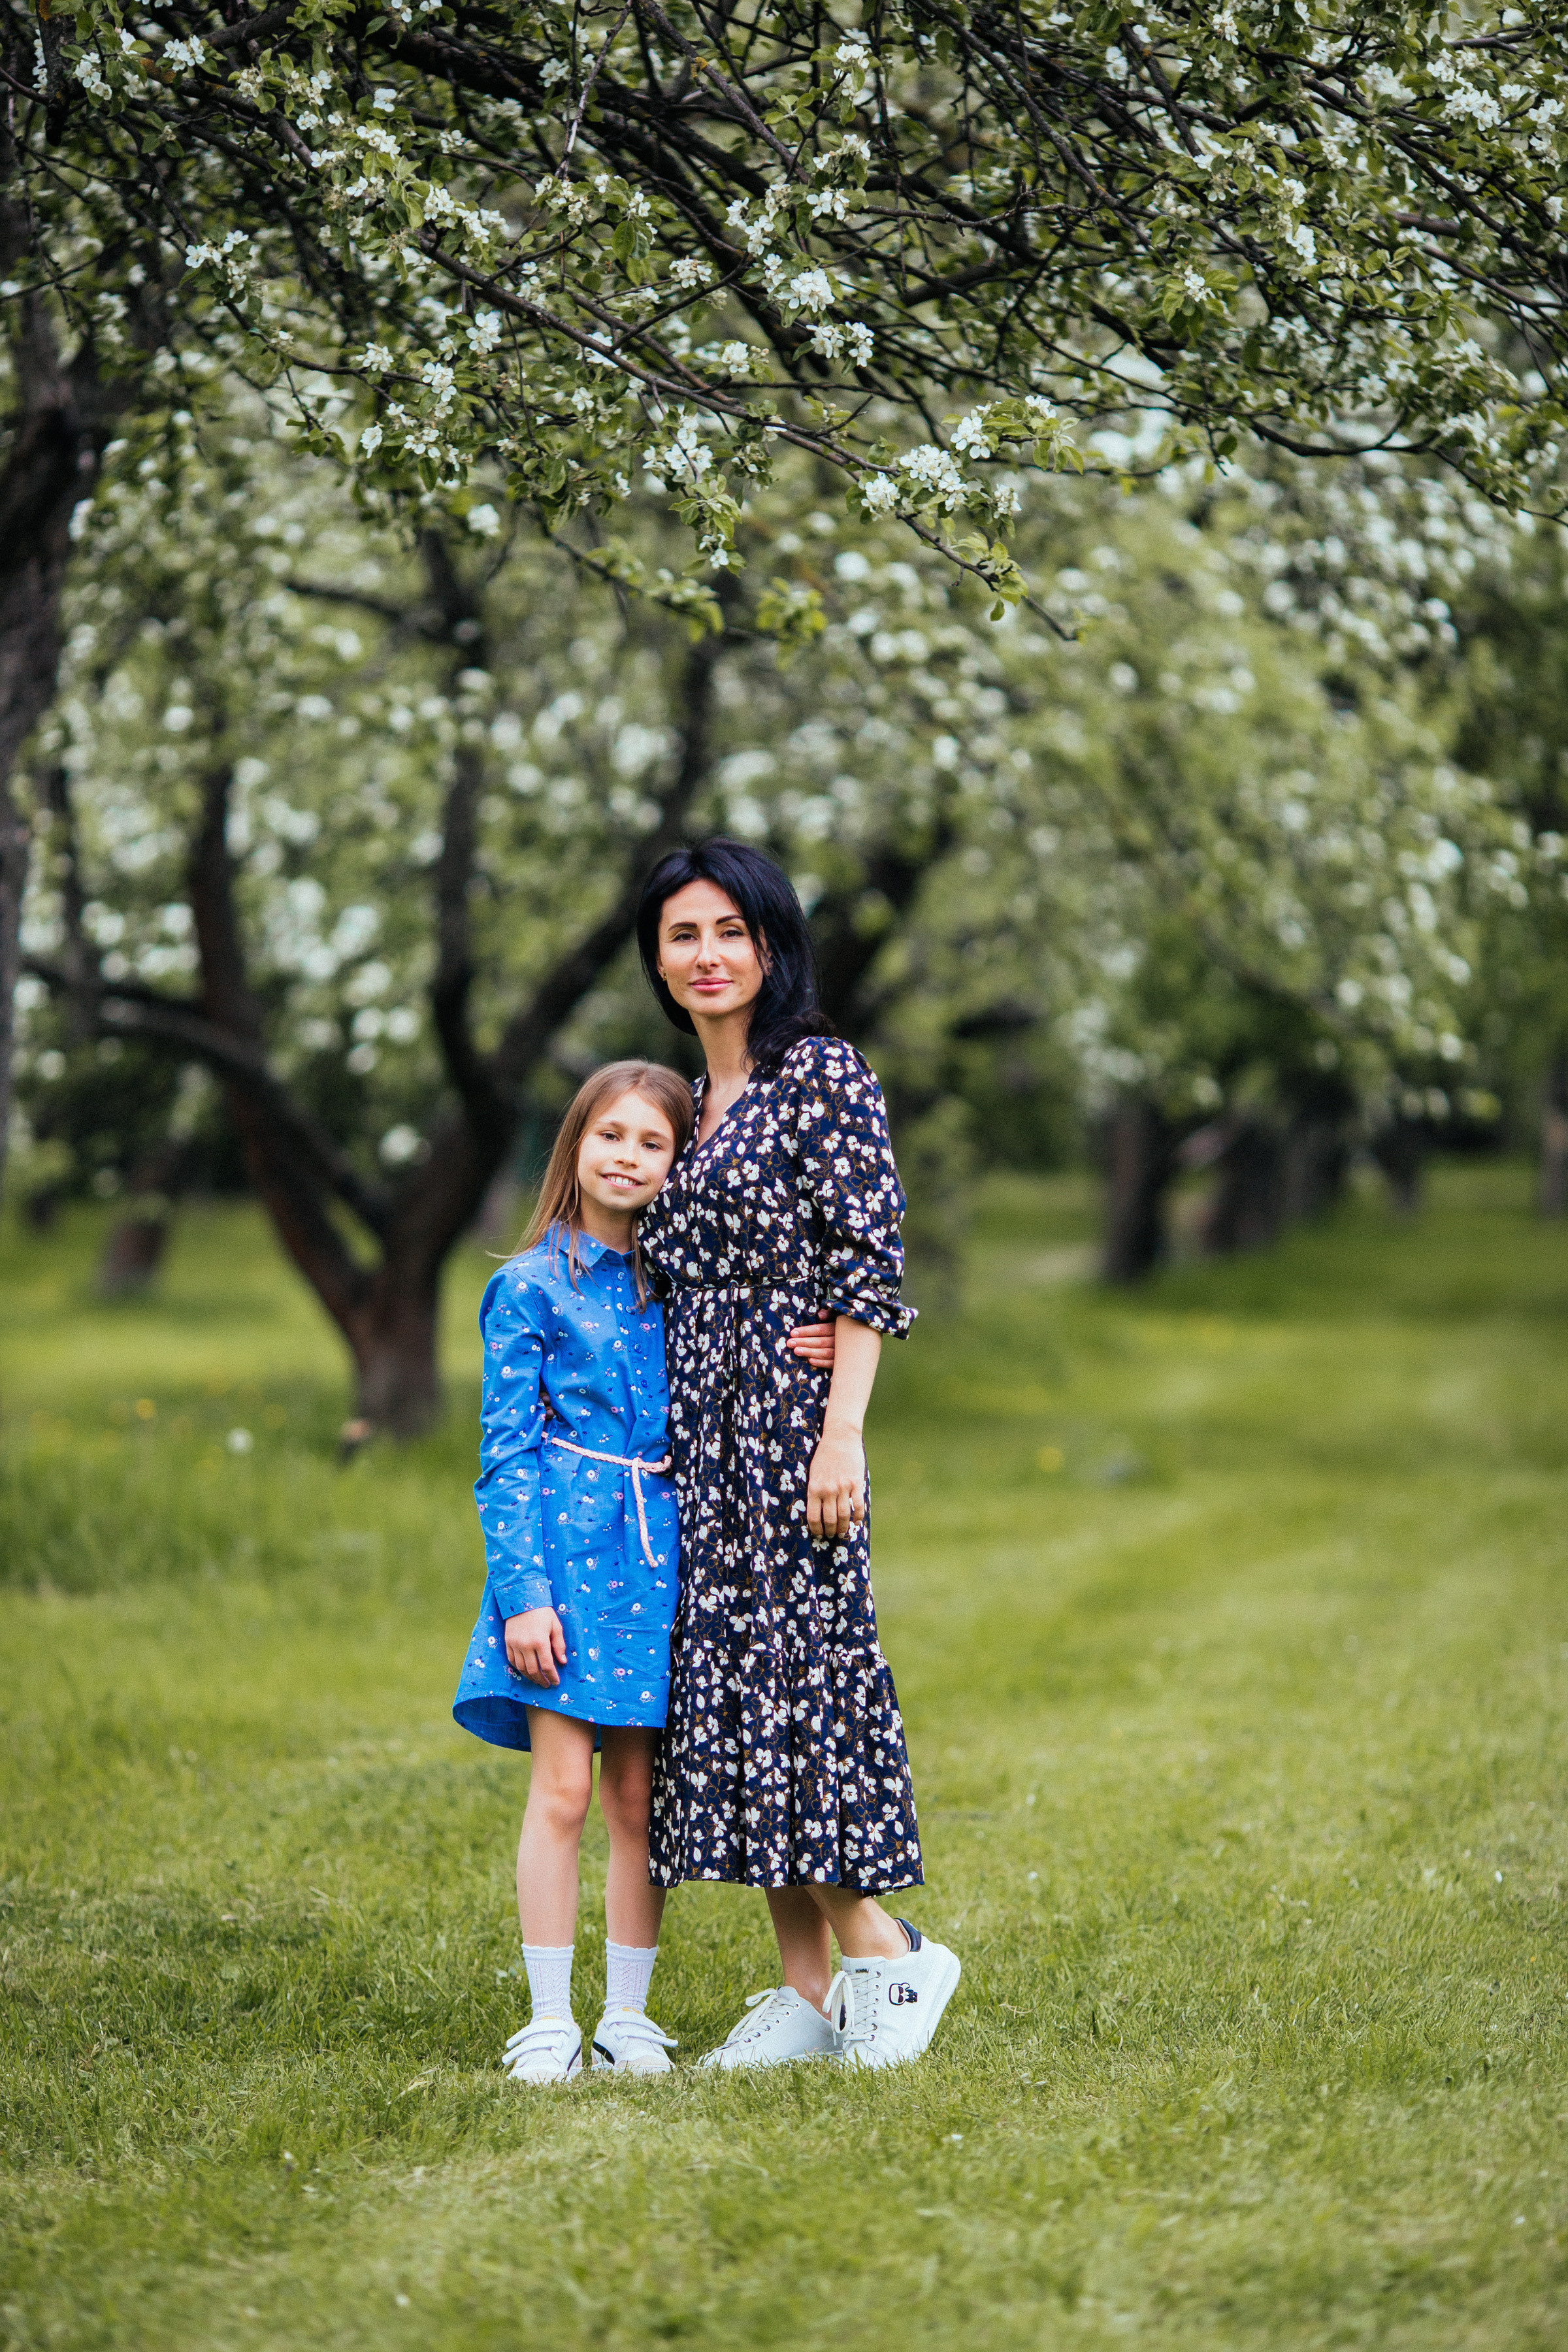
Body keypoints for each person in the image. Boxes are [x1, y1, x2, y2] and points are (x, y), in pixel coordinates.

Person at [635, 840, 961, 2071]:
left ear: (771, 946)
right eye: (683, 936)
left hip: (789, 1426)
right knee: (734, 1696)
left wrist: (843, 1431)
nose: (707, 956)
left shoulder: (819, 1073)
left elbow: (866, 1258)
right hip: (694, 1437)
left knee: (798, 1690)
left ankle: (888, 1955)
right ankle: (808, 1998)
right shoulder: (683, 1100)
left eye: (730, 930)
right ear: (658, 963)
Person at [452, 1058, 838, 2084]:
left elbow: (749, 1345)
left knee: (637, 1799)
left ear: (680, 1165)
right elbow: (504, 1453)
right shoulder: (529, 1285)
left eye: (653, 1143)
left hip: (659, 1561)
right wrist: (523, 1594)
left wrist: (822, 1339)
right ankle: (546, 2020)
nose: (627, 1157)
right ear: (576, 1146)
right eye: (609, 1136)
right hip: (563, 1560)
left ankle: (627, 2015)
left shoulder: (680, 1288)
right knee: (565, 1789)